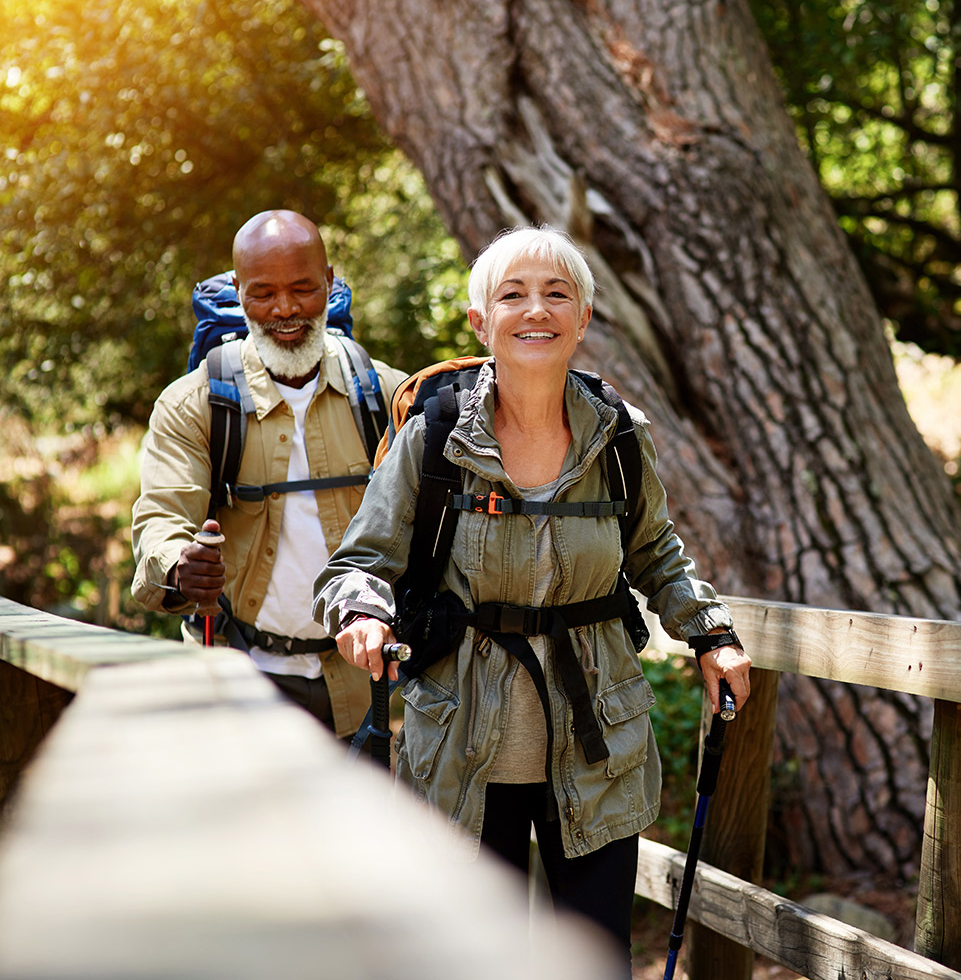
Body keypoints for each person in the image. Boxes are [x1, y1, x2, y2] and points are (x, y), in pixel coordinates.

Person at [312, 225, 751, 974]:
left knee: (597, 961)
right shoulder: (436, 437)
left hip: (597, 750)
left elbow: (656, 558)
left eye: (557, 294)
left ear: (583, 317)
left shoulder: (618, 436)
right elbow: (356, 564)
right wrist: (360, 611)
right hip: (461, 752)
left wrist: (711, 633)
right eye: (512, 295)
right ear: (482, 322)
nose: (535, 310)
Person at [131, 210, 407, 737]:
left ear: (329, 282)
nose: (285, 310)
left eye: (303, 289)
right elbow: (161, 520)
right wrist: (178, 567)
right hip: (238, 679)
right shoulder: (195, 404)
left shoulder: (383, 394)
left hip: (361, 684)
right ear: (238, 291)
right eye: (262, 293)